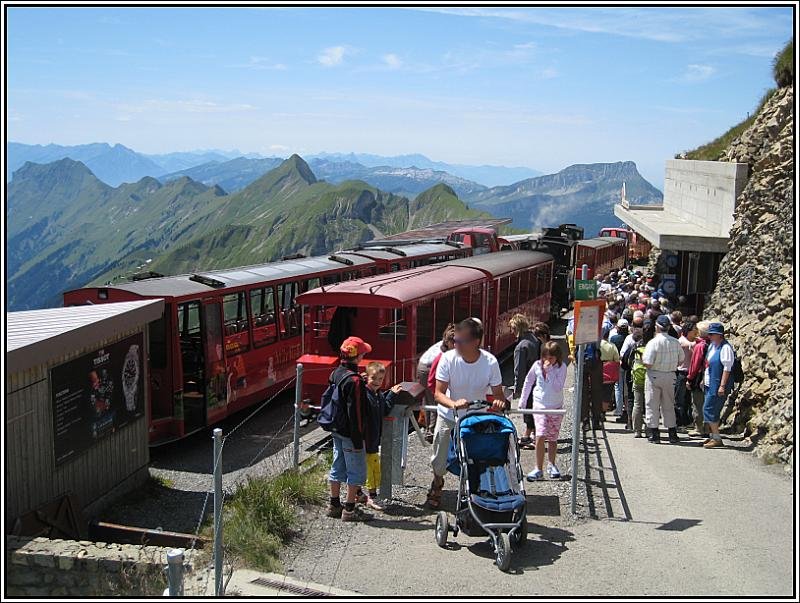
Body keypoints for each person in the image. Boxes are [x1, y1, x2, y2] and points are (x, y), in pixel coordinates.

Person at [428, 318, 506, 509]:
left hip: (475, 416)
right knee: (439, 457)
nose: (456, 345)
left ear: (476, 342)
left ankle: (475, 489)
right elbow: (438, 393)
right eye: (456, 340)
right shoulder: (448, 359)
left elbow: (499, 395)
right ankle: (437, 481)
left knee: (476, 455)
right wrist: (454, 403)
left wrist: (497, 402)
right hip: (449, 414)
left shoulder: (490, 362)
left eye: (461, 341)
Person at [327, 336, 373, 522]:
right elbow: (357, 414)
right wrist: (358, 439)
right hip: (350, 433)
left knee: (337, 465)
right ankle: (350, 510)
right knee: (356, 470)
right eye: (363, 353)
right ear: (358, 356)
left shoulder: (336, 373)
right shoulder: (354, 382)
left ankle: (334, 504)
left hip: (336, 429)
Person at [519, 341, 568, 480]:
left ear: (557, 357)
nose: (547, 360)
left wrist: (550, 371)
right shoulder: (536, 366)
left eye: (551, 358)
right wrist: (523, 401)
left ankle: (551, 464)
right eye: (545, 357)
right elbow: (528, 382)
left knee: (552, 438)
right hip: (540, 405)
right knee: (540, 435)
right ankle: (538, 468)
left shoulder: (562, 367)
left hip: (556, 406)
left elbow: (558, 387)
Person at [362, 361, 403, 511]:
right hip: (366, 438)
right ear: (366, 377)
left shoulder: (377, 394)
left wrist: (391, 394)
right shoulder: (365, 395)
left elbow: (384, 409)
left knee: (372, 467)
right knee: (370, 468)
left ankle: (364, 494)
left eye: (380, 379)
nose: (377, 382)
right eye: (374, 378)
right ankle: (371, 496)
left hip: (373, 438)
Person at [642, 315, 683, 444]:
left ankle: (654, 433)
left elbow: (647, 362)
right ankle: (672, 433)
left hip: (654, 375)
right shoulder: (675, 342)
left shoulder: (653, 342)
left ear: (657, 327)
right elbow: (681, 359)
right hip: (670, 375)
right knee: (669, 404)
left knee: (652, 404)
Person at [510, 314, 540, 450]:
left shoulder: (521, 347)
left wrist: (517, 388)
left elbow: (519, 370)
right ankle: (534, 434)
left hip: (529, 382)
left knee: (527, 408)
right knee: (534, 407)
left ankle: (527, 436)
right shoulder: (535, 339)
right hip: (538, 381)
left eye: (512, 328)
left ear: (517, 328)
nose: (511, 332)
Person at [702, 322, 734, 449]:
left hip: (718, 384)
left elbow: (727, 368)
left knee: (709, 409)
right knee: (710, 410)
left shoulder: (725, 348)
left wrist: (722, 385)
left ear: (719, 335)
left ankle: (716, 437)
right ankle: (712, 436)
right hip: (710, 382)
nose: (709, 336)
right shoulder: (712, 346)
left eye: (712, 334)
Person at [422, 324, 456, 440]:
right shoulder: (442, 356)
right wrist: (438, 394)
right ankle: (431, 433)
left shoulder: (451, 354)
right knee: (434, 405)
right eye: (455, 343)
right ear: (449, 343)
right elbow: (431, 380)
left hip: (439, 382)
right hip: (427, 371)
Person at [686, 321, 710, 437]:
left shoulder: (699, 346)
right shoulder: (711, 344)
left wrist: (690, 378)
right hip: (709, 377)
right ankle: (707, 427)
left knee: (697, 403)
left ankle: (698, 427)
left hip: (699, 377)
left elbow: (695, 365)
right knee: (706, 402)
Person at [674, 319, 696, 429]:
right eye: (694, 330)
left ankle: (687, 421)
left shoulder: (691, 341)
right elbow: (690, 345)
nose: (696, 331)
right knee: (680, 399)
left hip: (690, 372)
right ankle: (679, 422)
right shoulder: (682, 341)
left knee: (687, 399)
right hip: (682, 373)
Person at [629, 327, 649, 437]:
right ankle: (649, 430)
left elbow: (628, 360)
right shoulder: (649, 347)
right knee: (649, 405)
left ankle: (637, 430)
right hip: (649, 378)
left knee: (637, 404)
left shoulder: (634, 347)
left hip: (637, 378)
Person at [610, 319, 629, 423]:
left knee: (618, 387)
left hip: (617, 364)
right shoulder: (630, 338)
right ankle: (626, 409)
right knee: (626, 387)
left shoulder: (614, 338)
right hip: (628, 365)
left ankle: (618, 410)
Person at [600, 330, 621, 415]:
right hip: (609, 375)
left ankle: (596, 413)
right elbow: (617, 359)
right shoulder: (612, 346)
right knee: (606, 395)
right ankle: (603, 413)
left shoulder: (596, 345)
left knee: (596, 393)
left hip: (597, 372)